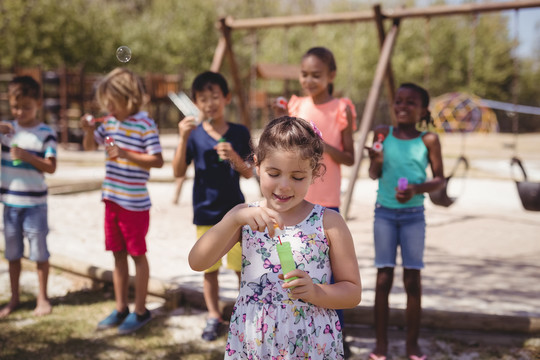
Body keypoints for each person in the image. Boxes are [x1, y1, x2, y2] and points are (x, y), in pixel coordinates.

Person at [189, 116, 362, 359]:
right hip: (254, 340)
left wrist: (315, 292)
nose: (284, 186)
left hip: (311, 343)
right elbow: (197, 262)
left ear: (314, 172)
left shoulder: (329, 223)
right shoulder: (244, 217)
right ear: (257, 165)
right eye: (274, 173)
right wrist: (232, 220)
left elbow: (353, 293)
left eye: (297, 177)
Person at [274, 46, 357, 355]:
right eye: (304, 74)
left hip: (326, 206)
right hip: (293, 202)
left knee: (332, 275)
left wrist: (319, 143)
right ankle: (291, 329)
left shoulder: (342, 108)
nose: (308, 80)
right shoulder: (296, 104)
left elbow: (348, 157)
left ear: (331, 76)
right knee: (292, 268)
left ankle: (336, 333)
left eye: (316, 75)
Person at [80, 68, 164, 335]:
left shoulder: (144, 124)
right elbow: (90, 146)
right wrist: (87, 130)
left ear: (127, 99)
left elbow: (157, 160)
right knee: (117, 255)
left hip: (134, 204)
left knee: (137, 255)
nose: (107, 107)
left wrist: (126, 152)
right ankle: (120, 308)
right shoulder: (109, 124)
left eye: (111, 102)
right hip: (112, 200)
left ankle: (140, 311)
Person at [172, 71, 253, 341]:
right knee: (210, 269)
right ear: (195, 102)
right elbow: (177, 170)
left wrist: (233, 157)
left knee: (242, 267)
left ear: (226, 98)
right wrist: (182, 138)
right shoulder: (193, 135)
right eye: (203, 98)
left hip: (235, 212)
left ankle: (247, 315)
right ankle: (213, 316)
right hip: (205, 212)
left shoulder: (239, 133)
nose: (210, 103)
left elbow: (249, 172)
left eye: (215, 97)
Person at [366, 83, 445, 360]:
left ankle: (412, 345)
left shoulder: (429, 140)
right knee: (383, 278)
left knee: (412, 279)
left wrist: (416, 189)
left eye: (411, 103)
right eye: (398, 101)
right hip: (384, 214)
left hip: (413, 217)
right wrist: (376, 159)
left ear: (423, 110)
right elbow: (373, 174)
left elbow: (439, 179)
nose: (402, 106)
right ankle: (381, 345)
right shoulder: (382, 133)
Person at [0, 76, 57, 318]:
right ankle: (14, 298)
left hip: (35, 206)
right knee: (12, 254)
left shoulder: (46, 133)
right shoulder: (6, 130)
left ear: (38, 104)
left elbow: (51, 167)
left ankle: (42, 298)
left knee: (39, 254)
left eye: (26, 106)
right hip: (10, 205)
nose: (20, 111)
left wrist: (28, 157)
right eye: (15, 106)